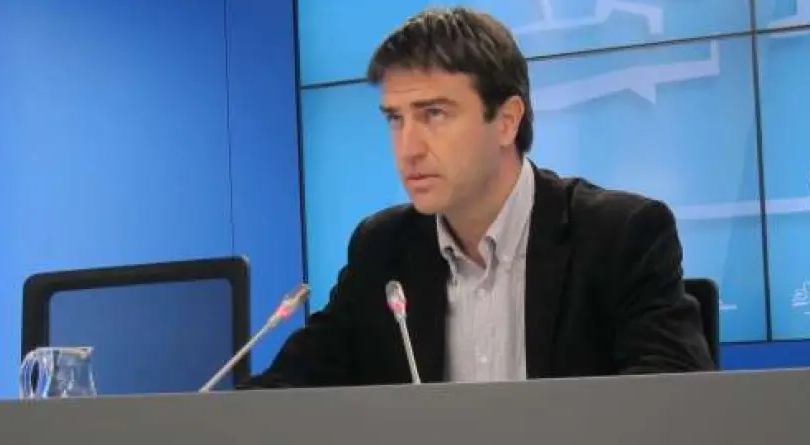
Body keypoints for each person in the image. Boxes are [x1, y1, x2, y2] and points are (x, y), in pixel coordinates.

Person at [239, 7, 714, 389]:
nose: (408, 147)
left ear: (506, 121)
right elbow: (291, 388)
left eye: (434, 114)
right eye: (395, 119)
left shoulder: (619, 235)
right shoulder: (382, 249)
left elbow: (672, 400)